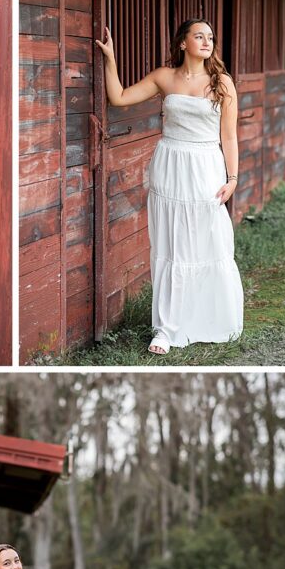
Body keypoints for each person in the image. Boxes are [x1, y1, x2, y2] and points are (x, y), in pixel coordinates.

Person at [95, 19, 244, 355]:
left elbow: (230, 136)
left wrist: (232, 179)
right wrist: (110, 59)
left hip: (206, 167)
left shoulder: (222, 83)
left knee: (206, 243)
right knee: (171, 247)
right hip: (170, 166)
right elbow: (118, 97)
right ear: (182, 43)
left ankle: (208, 318)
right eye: (199, 36)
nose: (206, 42)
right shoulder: (164, 76)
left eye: (210, 37)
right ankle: (165, 328)